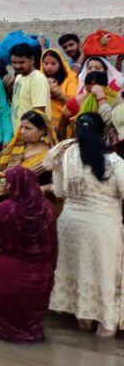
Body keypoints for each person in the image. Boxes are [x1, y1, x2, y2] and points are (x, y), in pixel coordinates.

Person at [45, 113, 124, 337]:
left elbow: (59, 192)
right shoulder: (115, 161)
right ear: (104, 133)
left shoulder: (64, 154)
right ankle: (105, 329)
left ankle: (83, 324)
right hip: (103, 228)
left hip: (70, 226)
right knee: (105, 276)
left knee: (80, 274)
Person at [0, 166, 57, 342]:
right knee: (32, 326)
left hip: (10, 274)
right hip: (41, 276)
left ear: (12, 186)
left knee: (4, 328)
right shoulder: (48, 208)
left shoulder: (7, 208)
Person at [0, 111, 53, 186]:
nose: (22, 131)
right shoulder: (17, 146)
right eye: (21, 127)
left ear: (42, 130)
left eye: (27, 128)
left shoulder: (48, 154)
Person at [9, 42, 49, 130]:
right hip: (19, 134)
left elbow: (38, 114)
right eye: (14, 62)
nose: (17, 66)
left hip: (31, 136)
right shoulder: (19, 77)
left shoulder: (37, 80)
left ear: (32, 60)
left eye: (21, 62)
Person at [40, 48, 77, 130]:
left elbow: (74, 105)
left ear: (60, 63)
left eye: (53, 63)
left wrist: (59, 95)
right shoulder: (39, 79)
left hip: (64, 124)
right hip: (44, 123)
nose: (49, 67)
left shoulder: (70, 79)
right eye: (46, 63)